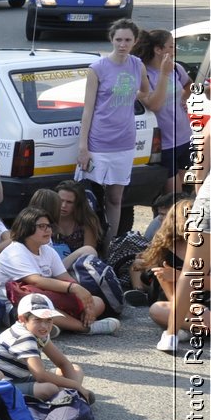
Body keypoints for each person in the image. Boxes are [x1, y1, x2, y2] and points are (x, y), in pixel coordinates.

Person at [0, 208, 117, 336]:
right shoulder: (15, 252)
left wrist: (85, 299)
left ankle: (53, 326)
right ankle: (85, 328)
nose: (48, 230)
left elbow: (65, 277)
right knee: (40, 308)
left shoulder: (47, 250)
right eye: (41, 226)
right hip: (14, 306)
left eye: (49, 226)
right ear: (26, 228)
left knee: (97, 302)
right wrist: (74, 288)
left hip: (48, 297)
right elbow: (36, 281)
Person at [77, 19, 146, 251]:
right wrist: (83, 147)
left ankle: (109, 248)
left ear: (135, 41)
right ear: (111, 39)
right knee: (89, 201)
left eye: (127, 40)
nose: (123, 44)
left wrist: (132, 95)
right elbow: (88, 109)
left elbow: (145, 91)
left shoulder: (137, 65)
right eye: (119, 40)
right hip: (98, 142)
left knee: (115, 199)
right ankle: (89, 247)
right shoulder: (97, 68)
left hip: (124, 143)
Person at [0, 294, 94, 402]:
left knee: (76, 370)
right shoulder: (23, 336)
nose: (44, 326)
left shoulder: (38, 333)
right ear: (22, 319)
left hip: (20, 378)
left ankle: (68, 396)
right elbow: (40, 375)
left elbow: (62, 363)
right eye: (38, 320)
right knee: (49, 389)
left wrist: (75, 388)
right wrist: (75, 385)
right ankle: (66, 398)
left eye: (49, 320)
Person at [135, 28, 193, 198]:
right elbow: (155, 105)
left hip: (184, 138)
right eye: (171, 46)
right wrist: (163, 74)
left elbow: (189, 84)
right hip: (165, 145)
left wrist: (184, 99)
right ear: (158, 50)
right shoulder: (142, 74)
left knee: (184, 193)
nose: (174, 50)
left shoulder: (176, 68)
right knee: (172, 197)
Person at [142, 198, 196, 351]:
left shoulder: (206, 245)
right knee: (157, 310)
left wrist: (180, 276)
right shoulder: (165, 249)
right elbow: (173, 297)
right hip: (180, 305)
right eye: (188, 216)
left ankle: (192, 329)